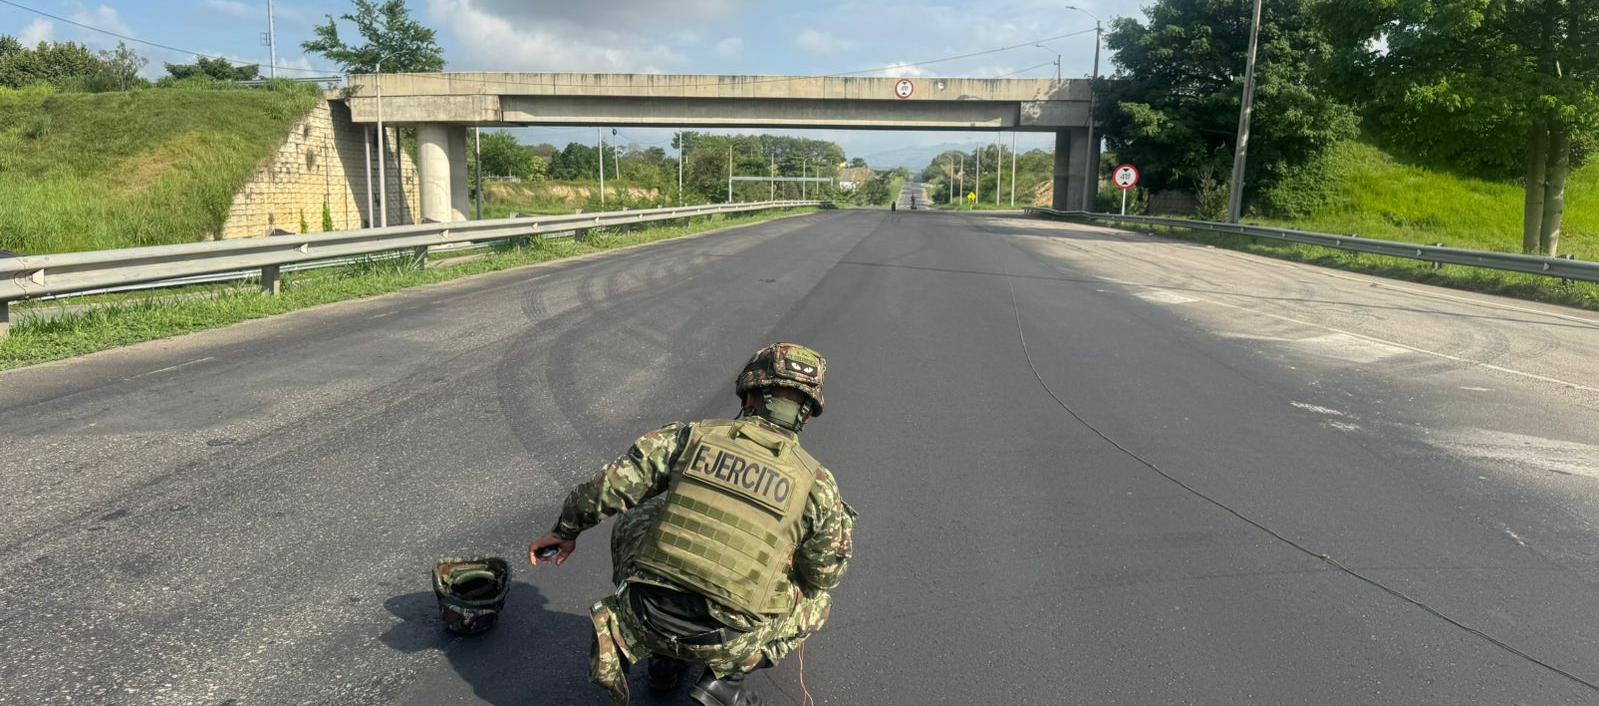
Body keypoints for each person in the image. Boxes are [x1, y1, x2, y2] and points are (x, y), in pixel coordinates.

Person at [530, 343, 857, 706]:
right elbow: (824, 576)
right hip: (726, 642)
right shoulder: (818, 485)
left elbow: (609, 487)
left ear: (749, 395)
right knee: (818, 600)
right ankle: (727, 681)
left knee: (641, 512)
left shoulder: (690, 437)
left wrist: (564, 531)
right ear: (806, 414)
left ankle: (660, 658)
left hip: (644, 615)